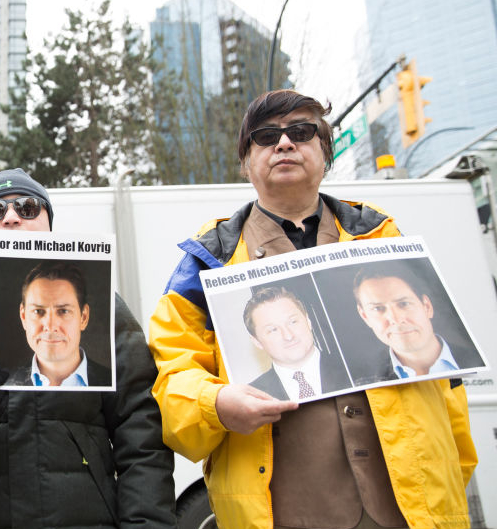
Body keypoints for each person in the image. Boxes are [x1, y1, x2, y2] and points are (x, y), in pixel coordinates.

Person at [149, 90, 476, 529]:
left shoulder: (385, 239)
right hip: (283, 511)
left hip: (407, 512)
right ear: (246, 162)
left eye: (301, 132)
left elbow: (446, 384)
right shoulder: (207, 260)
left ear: (325, 153)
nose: (284, 144)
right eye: (266, 137)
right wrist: (215, 402)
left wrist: (449, 475)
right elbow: (172, 374)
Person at [0, 168, 175, 528]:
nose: (10, 216)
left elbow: (142, 438)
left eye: (27, 207)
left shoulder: (106, 307)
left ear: (50, 225)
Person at [353, 263, 481, 380]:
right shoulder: (359, 380)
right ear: (365, 316)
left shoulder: (478, 361)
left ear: (427, 307)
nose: (395, 319)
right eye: (378, 308)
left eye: (404, 304)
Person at [8, 261, 111, 387]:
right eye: (38, 311)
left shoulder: (116, 386)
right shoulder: (3, 387)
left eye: (63, 311)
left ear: (83, 317)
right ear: (23, 316)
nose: (50, 327)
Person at [244, 286, 351, 400]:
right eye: (273, 329)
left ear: (308, 321)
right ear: (257, 342)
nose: (288, 336)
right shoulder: (251, 397)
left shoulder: (354, 368)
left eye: (293, 322)